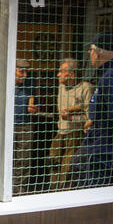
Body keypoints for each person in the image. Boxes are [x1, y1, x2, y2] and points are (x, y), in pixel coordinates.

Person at [0, 59, 38, 194]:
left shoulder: (29, 85)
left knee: (23, 160)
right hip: (4, 126)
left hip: (24, 126)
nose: (24, 75)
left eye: (26, 72)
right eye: (21, 72)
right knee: (6, 159)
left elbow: (32, 103)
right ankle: (4, 189)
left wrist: (33, 108)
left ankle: (19, 191)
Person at [70, 31, 113, 188]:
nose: (89, 53)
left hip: (102, 150)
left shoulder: (110, 77)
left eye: (91, 50)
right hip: (98, 143)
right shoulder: (105, 75)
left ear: (99, 52)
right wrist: (93, 121)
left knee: (90, 188)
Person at [48, 58, 93, 191]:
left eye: (61, 71)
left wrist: (72, 117)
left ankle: (64, 193)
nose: (58, 75)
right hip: (60, 131)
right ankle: (53, 191)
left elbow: (90, 117)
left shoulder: (86, 88)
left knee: (67, 168)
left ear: (71, 74)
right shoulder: (61, 87)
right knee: (52, 161)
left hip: (75, 134)